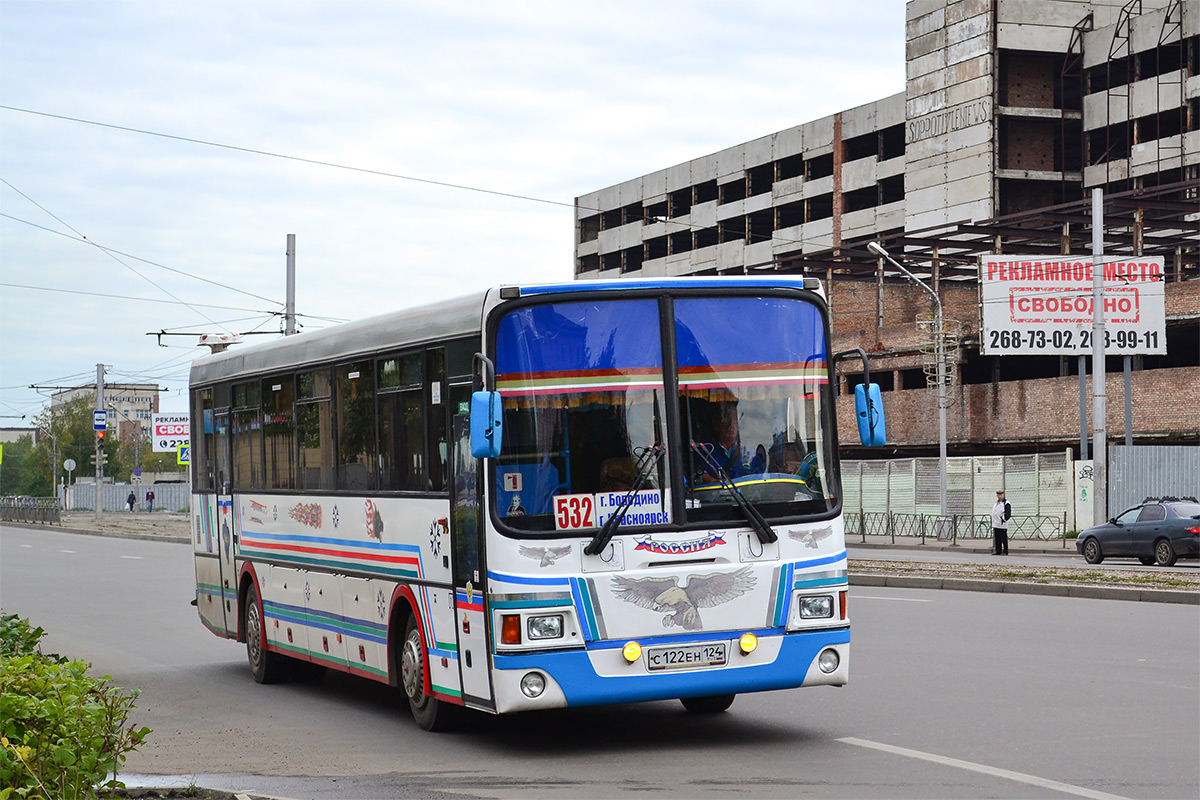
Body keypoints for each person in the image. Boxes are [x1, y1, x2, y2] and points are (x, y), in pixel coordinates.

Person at [694, 401, 764, 483]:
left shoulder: (750, 452)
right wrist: (714, 481)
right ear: (716, 425)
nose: (731, 426)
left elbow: (761, 480)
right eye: (726, 421)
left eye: (734, 422)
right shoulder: (704, 449)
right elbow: (699, 473)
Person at [991, 489, 1011, 555]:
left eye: (1001, 495)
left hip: (1002, 524)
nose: (999, 496)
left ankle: (1005, 551)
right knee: (997, 538)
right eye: (998, 495)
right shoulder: (996, 503)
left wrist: (1003, 519)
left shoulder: (1006, 503)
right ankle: (998, 551)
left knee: (1003, 538)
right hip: (996, 524)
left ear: (1003, 495)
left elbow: (1008, 513)